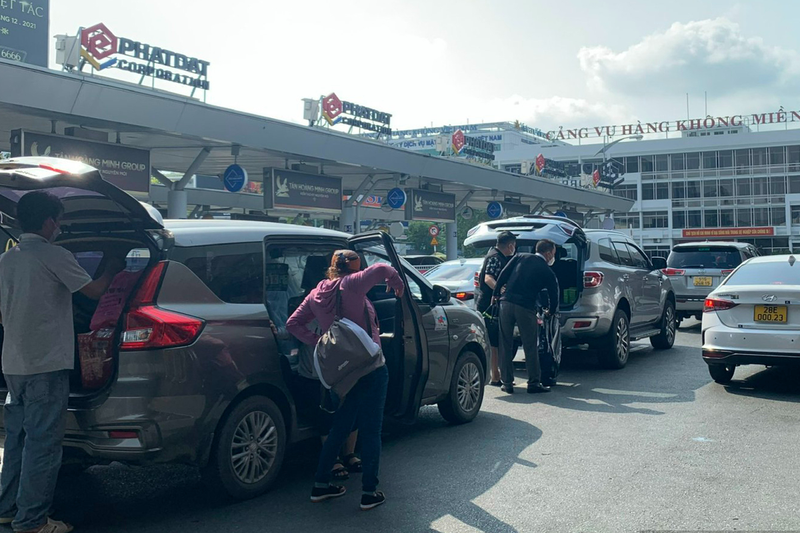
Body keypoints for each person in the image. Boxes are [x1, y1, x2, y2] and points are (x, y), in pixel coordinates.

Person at [0, 191, 125, 533]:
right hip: (46, 364)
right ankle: (33, 521)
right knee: (43, 445)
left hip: (13, 364)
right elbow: (95, 292)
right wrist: (113, 264)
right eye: (59, 220)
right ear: (49, 221)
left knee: (18, 441)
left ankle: (8, 510)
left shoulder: (6, 260)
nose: (60, 227)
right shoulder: (53, 255)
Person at [286, 250, 404, 511]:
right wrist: (397, 284)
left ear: (332, 267)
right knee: (372, 430)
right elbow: (383, 269)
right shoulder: (353, 283)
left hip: (342, 372)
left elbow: (293, 324)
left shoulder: (317, 292)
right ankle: (370, 492)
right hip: (370, 366)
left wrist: (319, 342)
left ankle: (320, 485)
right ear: (355, 268)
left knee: (340, 426)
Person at [493, 239, 559, 395]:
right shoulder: (547, 270)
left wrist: (496, 294)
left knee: (505, 343)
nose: (553, 257)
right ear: (548, 253)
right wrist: (551, 311)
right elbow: (553, 293)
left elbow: (503, 274)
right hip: (525, 307)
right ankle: (534, 383)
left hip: (506, 303)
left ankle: (507, 383)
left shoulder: (520, 256)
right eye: (553, 254)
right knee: (530, 345)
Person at [475, 231, 517, 386]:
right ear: (510, 245)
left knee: (495, 341)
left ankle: (496, 374)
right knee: (494, 341)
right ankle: (495, 375)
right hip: (489, 305)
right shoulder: (495, 258)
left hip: (490, 302)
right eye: (514, 246)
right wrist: (502, 290)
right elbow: (488, 278)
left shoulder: (494, 255)